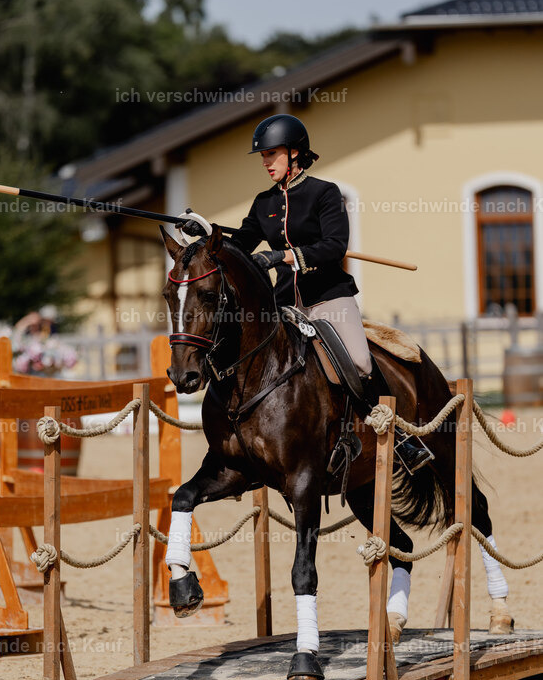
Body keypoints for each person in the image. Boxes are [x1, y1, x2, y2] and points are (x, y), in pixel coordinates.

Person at [183, 113, 433, 475]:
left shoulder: (324, 193)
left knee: (361, 362)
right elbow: (236, 246)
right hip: (285, 304)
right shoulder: (263, 202)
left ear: (295, 153)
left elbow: (334, 246)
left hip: (328, 297)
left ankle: (402, 441)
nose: (266, 162)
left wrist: (282, 255)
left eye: (271, 154)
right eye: (263, 156)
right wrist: (204, 231)